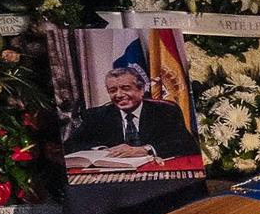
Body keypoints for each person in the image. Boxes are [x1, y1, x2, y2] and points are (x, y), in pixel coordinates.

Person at [63, 64, 198, 160]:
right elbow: (70, 145)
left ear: (141, 90)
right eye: (113, 90)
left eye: (126, 88)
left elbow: (186, 144)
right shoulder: (96, 115)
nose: (119, 95)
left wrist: (146, 149)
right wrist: (102, 150)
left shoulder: (165, 111)